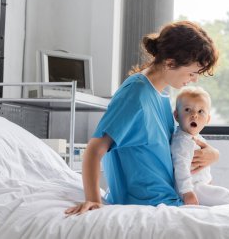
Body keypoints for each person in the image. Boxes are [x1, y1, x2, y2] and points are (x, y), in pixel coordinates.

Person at [65, 20, 220, 216]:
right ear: (170, 63)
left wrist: (213, 154)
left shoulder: (161, 94)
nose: (195, 79)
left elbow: (175, 145)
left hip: (170, 199)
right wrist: (94, 201)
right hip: (149, 206)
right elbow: (94, 150)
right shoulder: (136, 94)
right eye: (192, 72)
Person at [171, 86, 229, 206]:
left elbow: (204, 168)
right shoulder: (182, 142)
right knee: (223, 195)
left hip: (199, 187)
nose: (194, 115)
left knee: (221, 195)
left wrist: (209, 183)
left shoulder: (196, 138)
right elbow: (181, 168)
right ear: (177, 115)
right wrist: (187, 192)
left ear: (207, 119)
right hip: (192, 189)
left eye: (201, 111)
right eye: (188, 110)